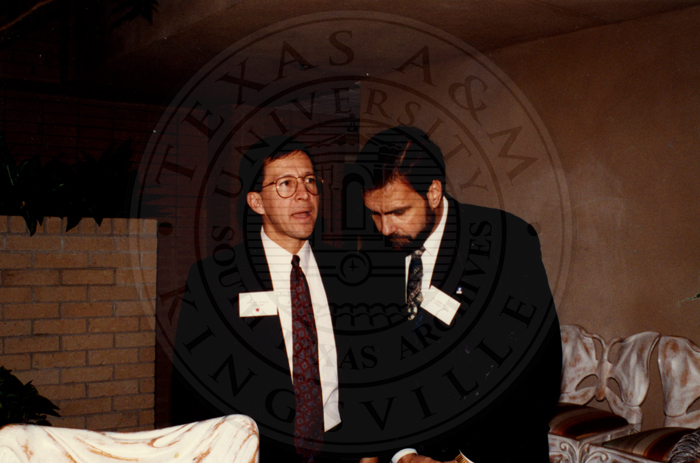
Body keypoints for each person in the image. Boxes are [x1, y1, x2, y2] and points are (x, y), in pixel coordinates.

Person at [352, 126, 563, 463]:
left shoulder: (505, 243)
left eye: (397, 212)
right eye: (374, 214)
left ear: (433, 192)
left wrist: (466, 458)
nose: (385, 228)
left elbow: (538, 371)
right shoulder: (376, 257)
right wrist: (402, 454)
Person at [171, 136, 383, 462]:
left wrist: (370, 449)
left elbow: (368, 369)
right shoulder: (215, 280)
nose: (304, 194)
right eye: (286, 183)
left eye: (310, 181)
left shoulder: (349, 272)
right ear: (257, 202)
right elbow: (192, 390)